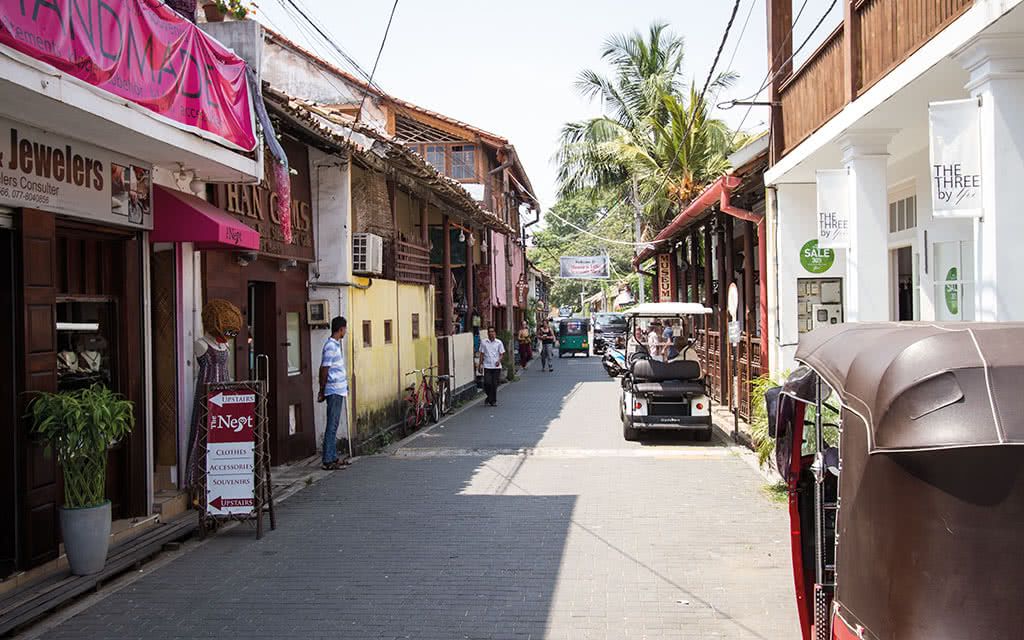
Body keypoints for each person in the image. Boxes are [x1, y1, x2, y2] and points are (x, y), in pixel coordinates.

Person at [318, 316, 349, 470]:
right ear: (341, 329)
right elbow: (324, 368)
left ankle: (333, 456)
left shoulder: (335, 345)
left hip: (339, 390)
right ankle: (328, 459)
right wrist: (322, 389)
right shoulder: (330, 346)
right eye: (345, 329)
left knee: (334, 424)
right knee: (332, 424)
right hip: (334, 390)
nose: (346, 332)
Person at [477, 326, 506, 406]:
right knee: (487, 383)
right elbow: (482, 354)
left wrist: (499, 360)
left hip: (496, 366)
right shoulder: (484, 342)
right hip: (487, 366)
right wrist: (480, 365)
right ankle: (489, 397)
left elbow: (501, 354)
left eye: (492, 331)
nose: (491, 333)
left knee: (494, 384)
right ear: (488, 333)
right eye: (489, 332)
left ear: (495, 333)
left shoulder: (499, 343)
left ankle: (493, 400)